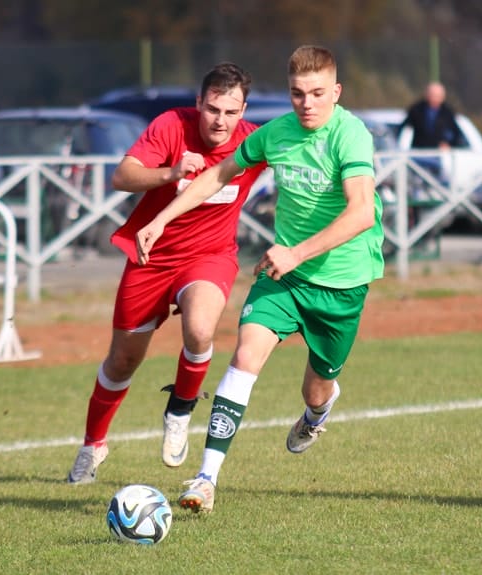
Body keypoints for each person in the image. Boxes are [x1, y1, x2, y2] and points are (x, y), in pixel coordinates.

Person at [135, 44, 385, 513]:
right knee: (245, 355)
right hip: (282, 278)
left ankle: (317, 413)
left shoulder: (351, 135)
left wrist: (297, 253)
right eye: (296, 94)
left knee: (317, 387)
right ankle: (206, 479)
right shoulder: (277, 134)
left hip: (342, 283)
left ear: (336, 91)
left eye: (316, 94)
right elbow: (215, 177)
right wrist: (162, 218)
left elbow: (361, 214)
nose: (306, 104)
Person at [66, 62, 267, 484]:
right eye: (213, 109)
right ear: (199, 103)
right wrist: (169, 173)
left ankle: (180, 409)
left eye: (231, 112)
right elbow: (122, 176)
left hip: (210, 256)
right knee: (122, 360)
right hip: (150, 257)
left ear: (244, 110)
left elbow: (309, 149)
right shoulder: (171, 125)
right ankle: (92, 446)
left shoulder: (254, 141)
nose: (221, 120)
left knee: (200, 328)